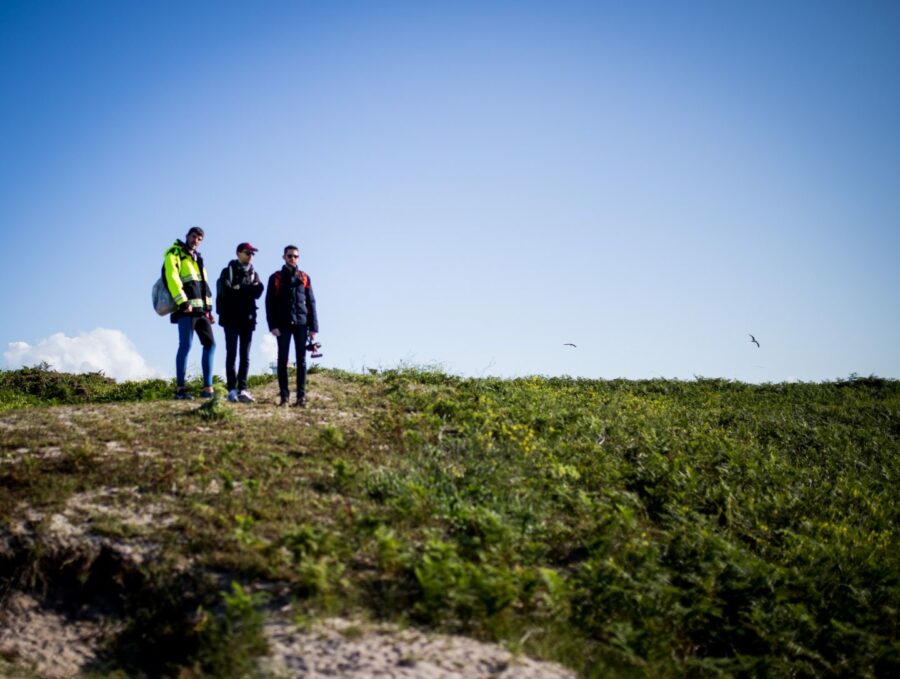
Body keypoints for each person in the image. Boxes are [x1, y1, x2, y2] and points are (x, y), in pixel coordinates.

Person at [163, 226, 216, 400]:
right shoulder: (174, 253)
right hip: (185, 310)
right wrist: (182, 302)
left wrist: (209, 310)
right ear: (187, 236)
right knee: (185, 346)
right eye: (194, 236)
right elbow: (172, 278)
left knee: (210, 344)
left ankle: (207, 388)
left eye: (200, 238)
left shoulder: (198, 258)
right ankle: (180, 390)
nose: (196, 240)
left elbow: (203, 286)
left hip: (201, 311)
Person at [265, 244, 318, 407]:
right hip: (282, 324)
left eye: (295, 256)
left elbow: (311, 303)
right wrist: (272, 325)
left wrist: (314, 328)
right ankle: (284, 398)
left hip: (302, 324)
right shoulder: (275, 277)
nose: (292, 259)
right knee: (282, 360)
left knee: (301, 361)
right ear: (284, 257)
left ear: (298, 258)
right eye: (289, 256)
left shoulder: (305, 277)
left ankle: (301, 398)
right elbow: (269, 304)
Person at [216, 242, 264, 403]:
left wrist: (239, 289)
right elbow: (226, 292)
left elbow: (258, 292)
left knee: (245, 356)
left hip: (248, 320)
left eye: (252, 253)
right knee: (232, 354)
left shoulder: (253, 273)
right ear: (238, 253)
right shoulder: (227, 271)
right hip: (230, 319)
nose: (250, 256)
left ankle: (243, 388)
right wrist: (246, 291)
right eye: (247, 252)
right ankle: (231, 390)